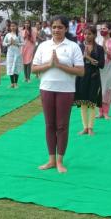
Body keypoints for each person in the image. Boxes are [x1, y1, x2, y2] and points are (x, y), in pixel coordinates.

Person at [32, 15, 84, 173]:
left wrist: (60, 65)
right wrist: (49, 64)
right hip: (47, 88)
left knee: (62, 126)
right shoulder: (43, 46)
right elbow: (34, 68)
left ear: (66, 29)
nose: (56, 30)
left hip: (66, 90)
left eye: (60, 27)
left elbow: (81, 71)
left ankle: (60, 161)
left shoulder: (73, 46)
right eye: (54, 27)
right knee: (49, 125)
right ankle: (51, 160)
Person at [75, 26, 105, 135]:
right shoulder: (78, 47)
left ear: (95, 35)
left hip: (94, 77)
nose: (87, 36)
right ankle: (85, 127)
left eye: (89, 34)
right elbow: (75, 63)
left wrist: (88, 58)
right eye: (85, 34)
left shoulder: (100, 49)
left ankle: (91, 127)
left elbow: (101, 65)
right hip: (82, 77)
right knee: (83, 102)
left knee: (92, 103)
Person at [97, 23, 111, 119]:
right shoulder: (97, 40)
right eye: (101, 28)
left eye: (104, 28)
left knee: (107, 90)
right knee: (100, 90)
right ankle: (100, 112)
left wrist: (107, 51)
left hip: (110, 68)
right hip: (100, 69)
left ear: (110, 30)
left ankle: (106, 112)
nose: (102, 30)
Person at [2, 21, 24, 88]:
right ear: (10, 27)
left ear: (16, 26)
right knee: (10, 67)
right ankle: (12, 83)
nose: (13, 27)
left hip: (17, 53)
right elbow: (3, 43)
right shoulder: (8, 35)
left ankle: (16, 83)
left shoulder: (19, 35)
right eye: (11, 26)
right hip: (10, 53)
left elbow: (23, 43)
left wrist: (16, 43)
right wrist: (9, 43)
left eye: (14, 26)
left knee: (16, 67)